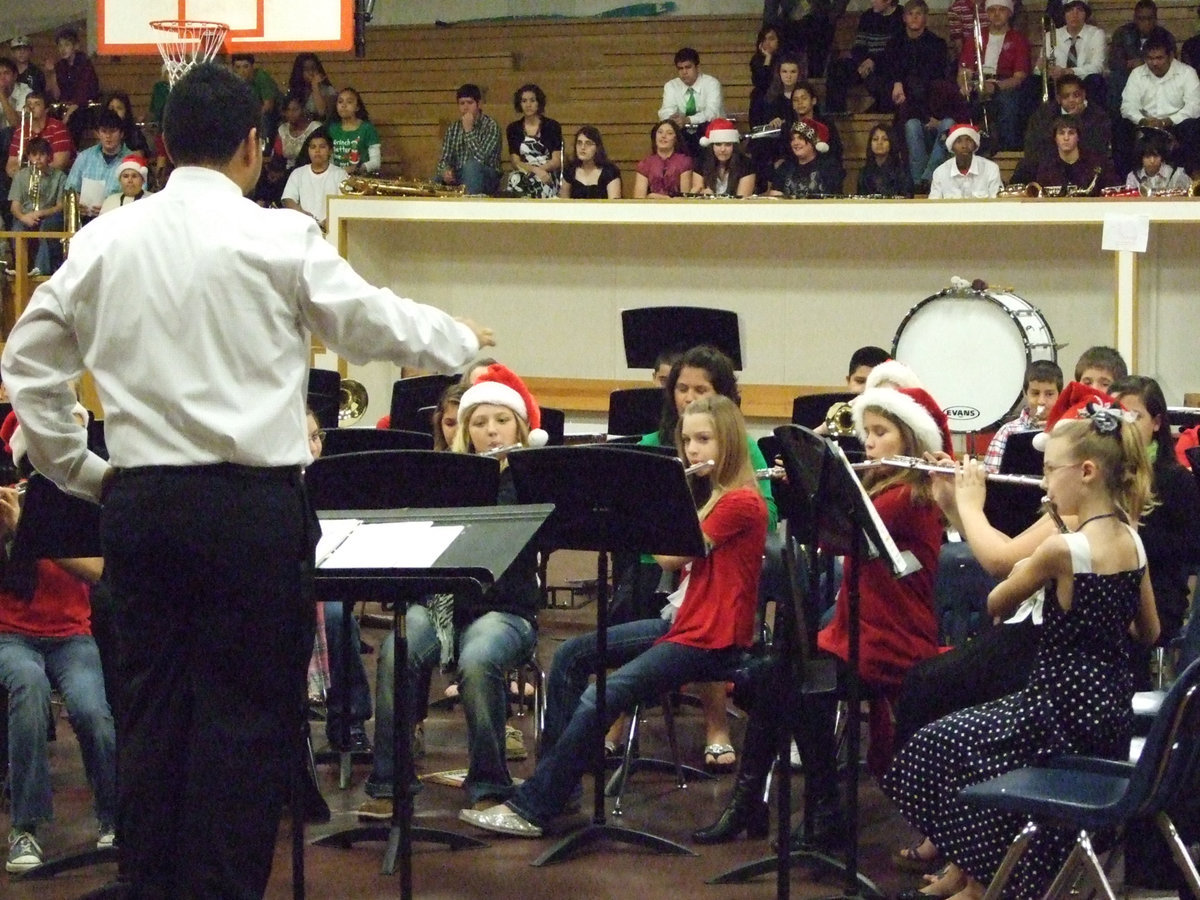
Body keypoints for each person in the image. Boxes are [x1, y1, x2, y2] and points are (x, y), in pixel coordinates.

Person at [0, 62, 493, 899]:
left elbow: (27, 364)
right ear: (255, 147)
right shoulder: (277, 236)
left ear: (161, 145)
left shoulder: (106, 239)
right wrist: (461, 341)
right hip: (250, 513)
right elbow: (372, 320)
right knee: (242, 724)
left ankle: (152, 886)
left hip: (144, 505)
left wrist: (78, 469)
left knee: (153, 716)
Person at [883, 393, 1159, 900]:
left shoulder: (1061, 547)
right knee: (972, 746)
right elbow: (1150, 633)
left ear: (1088, 472)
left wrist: (971, 508)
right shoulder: (1132, 538)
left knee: (936, 748)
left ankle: (988, 877)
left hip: (1054, 712)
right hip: (1106, 710)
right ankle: (980, 875)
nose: (1047, 481)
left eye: (1052, 471)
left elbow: (995, 597)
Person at [461, 393, 768, 838]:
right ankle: (557, 787)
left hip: (711, 635)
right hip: (686, 622)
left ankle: (532, 807)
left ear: (731, 444)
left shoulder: (739, 502)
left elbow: (667, 556)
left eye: (705, 439)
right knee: (571, 656)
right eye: (687, 440)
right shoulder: (715, 494)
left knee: (599, 697)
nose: (694, 450)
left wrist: (647, 501)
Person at [693, 384, 950, 845]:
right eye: (867, 431)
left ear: (909, 439)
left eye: (881, 432)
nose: (869, 442)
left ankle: (810, 810)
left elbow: (833, 535)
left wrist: (807, 483)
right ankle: (766, 804)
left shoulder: (907, 496)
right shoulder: (878, 486)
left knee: (799, 682)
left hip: (891, 639)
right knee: (778, 676)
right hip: (854, 631)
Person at [358, 364, 544, 819]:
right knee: (395, 649)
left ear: (519, 426)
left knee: (479, 659)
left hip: (505, 610)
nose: (491, 431)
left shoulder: (534, 476)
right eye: (479, 423)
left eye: (501, 420)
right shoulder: (447, 477)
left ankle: (489, 782)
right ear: (466, 432)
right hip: (442, 603)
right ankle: (390, 782)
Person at [0, 476, 115, 874]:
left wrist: (32, 534)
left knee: (92, 713)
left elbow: (99, 572)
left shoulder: (78, 504)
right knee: (29, 691)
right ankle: (25, 827)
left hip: (71, 636)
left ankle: (114, 818)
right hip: (12, 636)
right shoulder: (10, 500)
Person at [1109, 376, 1200, 646]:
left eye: (1135, 416)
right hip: (1106, 583)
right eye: (1118, 415)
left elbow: (1193, 546)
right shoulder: (1102, 470)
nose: (1125, 426)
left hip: (1158, 592)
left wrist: (1134, 537)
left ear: (1157, 423)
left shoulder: (1176, 479)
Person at [882, 0, 963, 188]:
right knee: (911, 126)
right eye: (910, 14)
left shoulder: (937, 45)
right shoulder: (894, 44)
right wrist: (897, 82)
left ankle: (927, 178)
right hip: (909, 109)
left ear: (926, 17)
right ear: (904, 17)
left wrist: (935, 116)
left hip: (936, 108)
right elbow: (889, 73)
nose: (915, 18)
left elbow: (941, 85)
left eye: (919, 14)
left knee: (948, 125)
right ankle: (920, 183)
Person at [1118, 36, 1200, 176]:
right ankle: (1126, 178)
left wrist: (1168, 120)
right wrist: (1143, 120)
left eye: (1159, 58)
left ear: (1171, 56)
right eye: (1150, 58)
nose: (1154, 63)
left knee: (1193, 126)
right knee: (1121, 126)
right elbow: (1127, 106)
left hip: (1176, 125)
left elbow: (1194, 106)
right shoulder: (1137, 74)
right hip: (1145, 125)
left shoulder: (1187, 73)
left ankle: (1191, 176)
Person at [1011, 73, 1112, 184]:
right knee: (1025, 166)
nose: (1071, 100)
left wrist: (1077, 120)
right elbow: (1033, 146)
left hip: (1084, 164)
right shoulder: (1043, 115)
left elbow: (1098, 147)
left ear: (1084, 95)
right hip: (1051, 164)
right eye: (1066, 96)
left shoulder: (1098, 116)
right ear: (1058, 98)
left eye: (1076, 95)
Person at [957, 0, 1031, 151]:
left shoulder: (1018, 40)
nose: (996, 14)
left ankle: (1008, 150)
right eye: (992, 10)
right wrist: (964, 84)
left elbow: (1018, 77)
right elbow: (964, 71)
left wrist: (995, 87)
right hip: (977, 82)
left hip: (1003, 85)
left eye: (1001, 10)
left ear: (1009, 13)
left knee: (1008, 103)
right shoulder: (975, 37)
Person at [824, 0, 906, 114]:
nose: (872, 1)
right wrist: (862, 62)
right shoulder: (868, 16)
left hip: (886, 65)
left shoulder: (901, 15)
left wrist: (874, 61)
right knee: (837, 68)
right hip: (864, 63)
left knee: (881, 82)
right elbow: (858, 46)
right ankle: (835, 113)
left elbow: (896, 50)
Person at [983, 358, 1062, 472]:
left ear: (1059, 395)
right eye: (1035, 393)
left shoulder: (1067, 430)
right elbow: (992, 479)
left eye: (1049, 394)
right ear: (1025, 393)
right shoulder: (1007, 432)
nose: (1041, 401)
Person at [7, 136, 65, 277]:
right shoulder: (20, 176)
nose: (38, 158)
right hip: (26, 215)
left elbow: (61, 206)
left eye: (42, 154)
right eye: (34, 155)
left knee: (47, 227)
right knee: (17, 228)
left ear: (49, 156)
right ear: (29, 156)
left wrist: (41, 212)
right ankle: (20, 269)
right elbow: (14, 206)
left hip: (49, 216)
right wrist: (24, 217)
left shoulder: (59, 176)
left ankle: (41, 269)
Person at [657, 47, 725, 158]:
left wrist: (688, 119)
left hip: (709, 132)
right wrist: (672, 118)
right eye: (680, 68)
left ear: (697, 67)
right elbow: (665, 110)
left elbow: (712, 113)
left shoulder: (711, 83)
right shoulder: (671, 86)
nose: (684, 72)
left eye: (688, 67)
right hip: (683, 134)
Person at [63, 109, 130, 222]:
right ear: (98, 133)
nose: (108, 136)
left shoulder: (130, 160)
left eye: (112, 131)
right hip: (84, 217)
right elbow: (70, 190)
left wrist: (109, 208)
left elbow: (138, 196)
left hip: (117, 218)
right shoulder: (84, 157)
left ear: (121, 133)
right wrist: (77, 204)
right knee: (53, 223)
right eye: (104, 131)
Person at [1109, 0, 1176, 111]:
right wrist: (1128, 64)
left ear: (1156, 19)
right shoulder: (1122, 33)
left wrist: (1143, 63)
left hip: (1156, 75)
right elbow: (1114, 62)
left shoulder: (1165, 36)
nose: (1146, 23)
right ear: (1135, 18)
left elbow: (1171, 62)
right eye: (1141, 19)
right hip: (1127, 76)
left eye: (1150, 18)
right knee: (1116, 79)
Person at [436, 83, 502, 196]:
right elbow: (444, 159)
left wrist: (468, 130)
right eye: (462, 103)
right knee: (436, 180)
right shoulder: (453, 128)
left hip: (486, 175)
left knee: (471, 167)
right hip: (459, 175)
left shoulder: (491, 126)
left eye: (470, 103)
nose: (465, 107)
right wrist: (445, 171)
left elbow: (482, 158)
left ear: (479, 104)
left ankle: (470, 207)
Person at [1037, 0, 1107, 104]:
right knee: (1033, 82)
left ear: (1086, 14)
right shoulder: (1050, 35)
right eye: (1069, 10)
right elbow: (1038, 70)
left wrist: (1068, 71)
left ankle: (1092, 117)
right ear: (1064, 14)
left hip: (1083, 82)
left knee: (1095, 80)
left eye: (1079, 10)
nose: (1075, 14)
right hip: (1057, 84)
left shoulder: (1096, 34)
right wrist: (1044, 69)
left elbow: (1098, 67)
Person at [281, 127, 348, 231]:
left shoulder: (340, 174)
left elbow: (344, 203)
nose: (317, 151)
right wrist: (303, 216)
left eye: (322, 147)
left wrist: (329, 221)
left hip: (332, 228)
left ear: (330, 150)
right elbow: (288, 199)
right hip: (304, 229)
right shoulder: (298, 173)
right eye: (313, 147)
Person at [503, 83, 563, 199]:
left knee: (540, 181)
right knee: (515, 178)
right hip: (525, 171)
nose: (528, 105)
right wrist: (535, 170)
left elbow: (556, 160)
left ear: (538, 103)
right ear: (519, 104)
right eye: (524, 101)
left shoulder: (552, 126)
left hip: (547, 170)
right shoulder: (513, 128)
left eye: (532, 100)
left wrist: (541, 170)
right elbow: (516, 162)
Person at [1034, 114, 1119, 193]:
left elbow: (1112, 192)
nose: (1066, 138)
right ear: (1055, 138)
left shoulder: (1097, 164)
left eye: (1071, 133)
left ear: (1078, 136)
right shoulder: (1046, 166)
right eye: (1061, 133)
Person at [46, 27, 99, 144]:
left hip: (84, 107)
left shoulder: (85, 64)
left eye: (67, 45)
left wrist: (67, 117)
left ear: (75, 46)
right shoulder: (60, 65)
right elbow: (56, 95)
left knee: (75, 119)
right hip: (65, 106)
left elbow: (81, 95)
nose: (63, 49)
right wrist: (52, 73)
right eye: (60, 46)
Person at [5, 91, 73, 179]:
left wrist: (34, 175)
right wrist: (24, 178)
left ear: (46, 109)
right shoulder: (20, 130)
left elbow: (59, 164)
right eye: (28, 104)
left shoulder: (58, 127)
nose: (31, 107)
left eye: (37, 104)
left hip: (52, 178)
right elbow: (11, 165)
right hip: (26, 179)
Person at [768, 118, 843, 196]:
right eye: (793, 139)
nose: (795, 143)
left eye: (801, 138)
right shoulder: (785, 168)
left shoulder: (829, 167)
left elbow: (834, 199)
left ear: (813, 142)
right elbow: (775, 198)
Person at [927, 122, 1002, 198]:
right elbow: (934, 205)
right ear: (952, 147)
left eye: (969, 140)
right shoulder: (940, 173)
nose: (964, 146)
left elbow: (998, 204)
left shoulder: (991, 169)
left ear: (975, 145)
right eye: (958, 141)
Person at [688, 118, 757, 196]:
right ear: (711, 146)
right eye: (718, 144)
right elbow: (697, 192)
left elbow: (742, 200)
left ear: (734, 147)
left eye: (728, 144)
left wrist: (714, 198)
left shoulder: (746, 164)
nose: (723, 149)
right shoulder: (701, 162)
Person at [633, 119, 693, 198]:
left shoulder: (685, 162)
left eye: (669, 133)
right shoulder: (645, 164)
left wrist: (655, 196)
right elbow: (639, 198)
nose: (663, 136)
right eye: (660, 132)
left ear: (675, 139)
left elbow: (685, 197)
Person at [328, 87, 381, 176]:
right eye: (340, 102)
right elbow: (330, 159)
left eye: (349, 102)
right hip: (337, 178)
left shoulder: (367, 128)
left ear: (357, 107)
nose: (343, 105)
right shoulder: (332, 129)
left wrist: (358, 168)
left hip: (362, 179)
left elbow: (376, 162)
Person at [558, 125, 621, 199]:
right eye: (579, 143)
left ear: (597, 148)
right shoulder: (570, 170)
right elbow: (564, 203)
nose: (582, 147)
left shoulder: (610, 172)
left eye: (588, 143)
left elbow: (614, 206)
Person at [231, 52, 283, 141]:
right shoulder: (234, 81)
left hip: (276, 114)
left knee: (264, 118)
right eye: (238, 67)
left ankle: (264, 146)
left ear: (252, 67)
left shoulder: (261, 77)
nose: (242, 71)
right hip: (252, 114)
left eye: (245, 66)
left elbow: (269, 106)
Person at [856, 122, 914, 195]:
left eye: (885, 139)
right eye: (875, 139)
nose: (879, 142)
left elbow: (907, 198)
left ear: (891, 142)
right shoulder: (864, 173)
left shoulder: (902, 171)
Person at [1125, 132, 1192, 191]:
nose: (1152, 161)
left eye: (1156, 156)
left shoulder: (1177, 174)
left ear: (1162, 156)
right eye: (1147, 157)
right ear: (1141, 158)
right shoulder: (1133, 177)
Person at [103, 91, 154, 166]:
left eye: (119, 108)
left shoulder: (134, 132)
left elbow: (141, 153)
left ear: (126, 111)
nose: (114, 112)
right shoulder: (103, 130)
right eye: (111, 108)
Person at [273, 93, 320, 169]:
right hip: (288, 172)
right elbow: (277, 155)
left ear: (303, 110)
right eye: (288, 110)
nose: (291, 113)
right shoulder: (283, 129)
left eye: (295, 110)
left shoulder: (315, 128)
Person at [287, 52, 337, 120]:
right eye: (306, 69)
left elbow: (322, 112)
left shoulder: (328, 90)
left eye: (313, 68)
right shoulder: (294, 91)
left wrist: (315, 86)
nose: (311, 73)